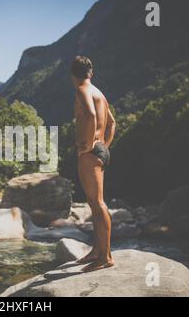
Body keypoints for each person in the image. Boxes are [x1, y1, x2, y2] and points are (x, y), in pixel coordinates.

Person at [71, 55, 116, 272]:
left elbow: (89, 114)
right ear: (91, 73)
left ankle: (105, 257)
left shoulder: (82, 90)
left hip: (91, 152)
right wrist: (104, 145)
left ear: (73, 75)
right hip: (100, 150)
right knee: (94, 202)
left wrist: (88, 146)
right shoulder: (100, 93)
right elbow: (112, 123)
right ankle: (98, 251)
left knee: (97, 203)